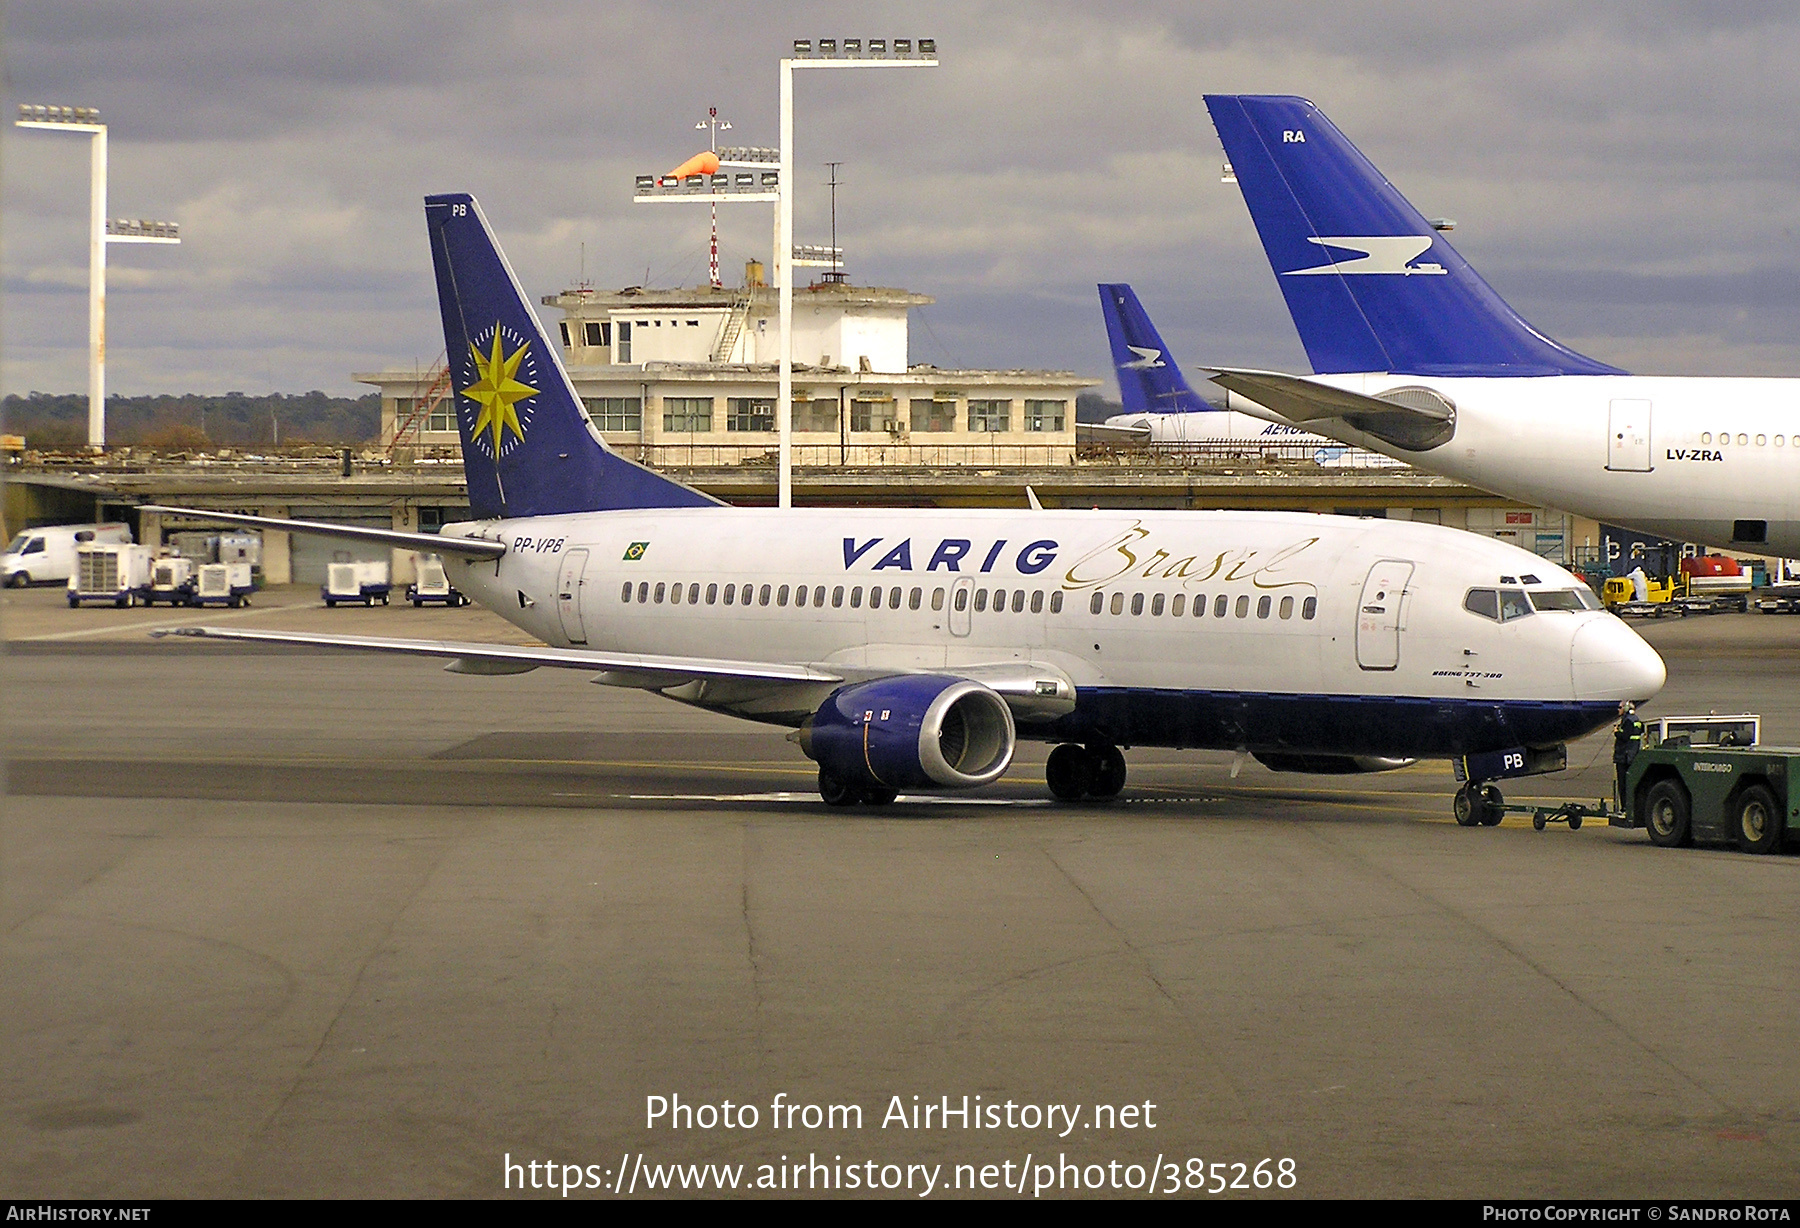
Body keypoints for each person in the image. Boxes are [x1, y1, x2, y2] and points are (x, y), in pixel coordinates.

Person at [1613, 701, 1645, 811]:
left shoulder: (1627, 721)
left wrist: (1616, 732)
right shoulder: (1636, 720)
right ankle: (1631, 806)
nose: (1618, 710)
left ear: (1625, 709)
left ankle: (1625, 807)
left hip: (1624, 756)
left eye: (1620, 707)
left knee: (1623, 784)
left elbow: (1624, 736)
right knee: (1632, 783)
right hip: (1633, 755)